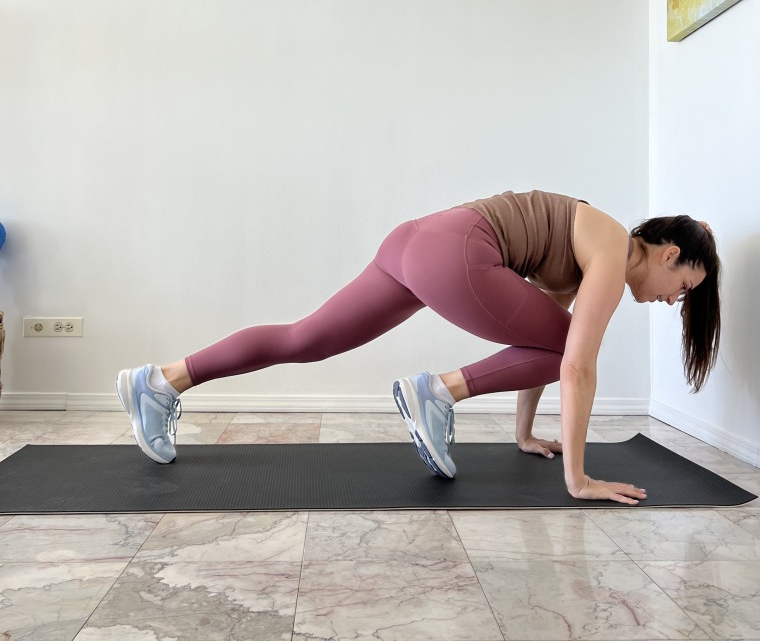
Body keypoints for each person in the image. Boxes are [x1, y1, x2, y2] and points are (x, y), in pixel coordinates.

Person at [116, 190, 721, 506]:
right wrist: (578, 479)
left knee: (307, 339)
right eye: (683, 288)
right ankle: (435, 393)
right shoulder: (612, 254)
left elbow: (540, 342)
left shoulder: (593, 244)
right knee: (568, 345)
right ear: (669, 254)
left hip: (414, 241)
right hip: (455, 249)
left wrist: (524, 435)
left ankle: (161, 381)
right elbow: (577, 364)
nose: (674, 301)